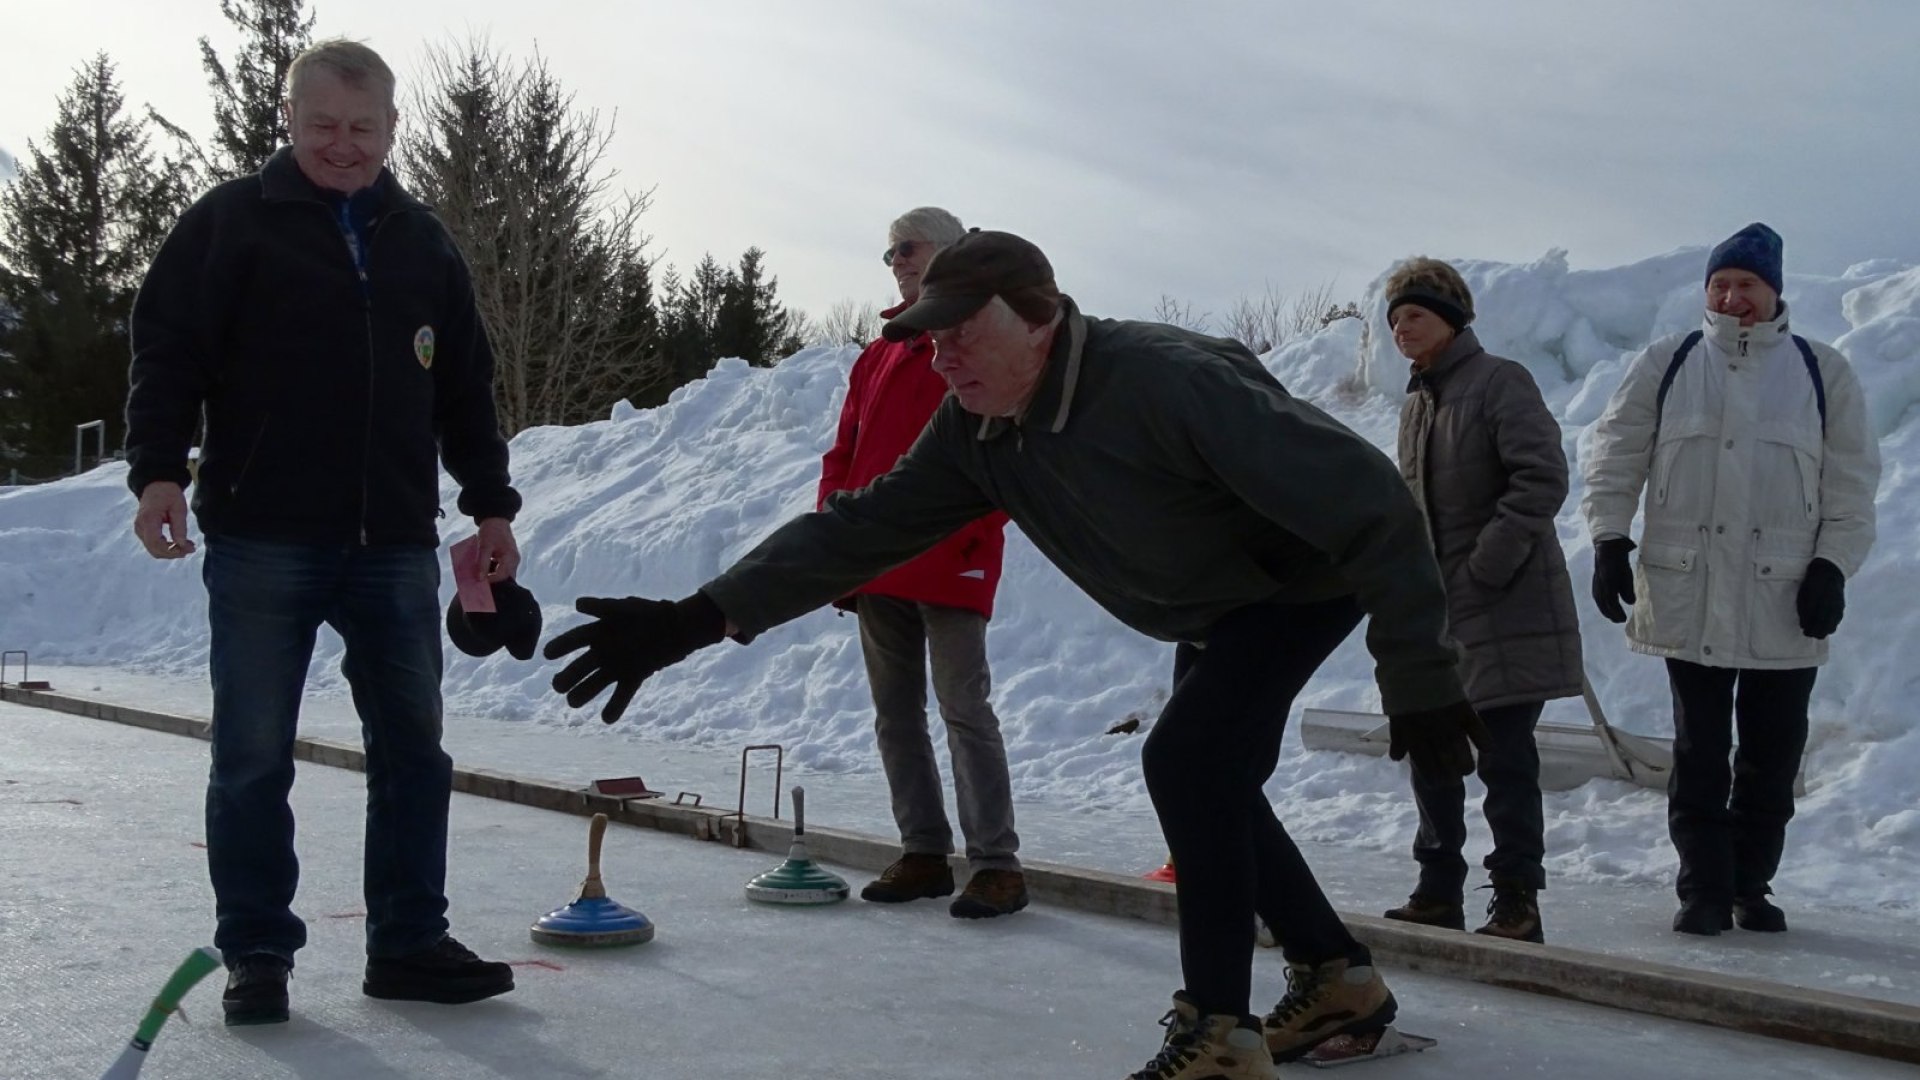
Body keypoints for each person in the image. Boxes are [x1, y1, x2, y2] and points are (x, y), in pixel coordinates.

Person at [543, 229, 1487, 1078]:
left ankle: (1222, 1037)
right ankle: (1335, 980)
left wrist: (1421, 677)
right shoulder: (979, 431)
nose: (939, 355)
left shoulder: (1164, 381)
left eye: (959, 333)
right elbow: (857, 531)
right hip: (1218, 599)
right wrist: (695, 618)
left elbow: (1375, 506)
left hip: (1303, 579)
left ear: (1039, 319)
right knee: (1214, 779)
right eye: (929, 336)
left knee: (1189, 761)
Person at [124, 39, 521, 1024]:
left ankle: (409, 941)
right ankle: (257, 950)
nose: (343, 146)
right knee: (253, 752)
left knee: (414, 749)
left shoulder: (421, 242)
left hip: (392, 541)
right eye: (323, 126)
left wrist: (491, 502)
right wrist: (158, 472)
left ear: (392, 127)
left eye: (363, 128)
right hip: (264, 536)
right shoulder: (230, 226)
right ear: (290, 120)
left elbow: (464, 385)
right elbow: (168, 352)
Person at [1583, 223, 1880, 936]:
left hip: (1786, 596)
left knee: (1772, 757)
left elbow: (1852, 481)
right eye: (1720, 284)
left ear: (1774, 292)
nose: (1731, 296)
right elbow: (1617, 451)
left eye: (1746, 284)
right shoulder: (1670, 361)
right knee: (1699, 751)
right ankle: (1703, 889)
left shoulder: (1820, 371)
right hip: (1688, 590)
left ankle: (1751, 882)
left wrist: (1833, 567)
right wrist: (1609, 539)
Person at [819, 208, 1024, 918]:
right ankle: (923, 851)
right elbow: (845, 450)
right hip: (877, 562)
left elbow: (1006, 439)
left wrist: (976, 533)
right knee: (893, 715)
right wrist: (833, 532)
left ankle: (996, 862)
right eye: (889, 254)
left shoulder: (975, 337)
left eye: (905, 249)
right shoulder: (878, 355)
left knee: (964, 707)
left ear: (946, 251)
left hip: (951, 557)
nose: (895, 262)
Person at [1383, 258, 1583, 944]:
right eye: (1395, 319)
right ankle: (1438, 888)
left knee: (1505, 758)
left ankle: (1517, 900)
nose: (1401, 328)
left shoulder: (1500, 381)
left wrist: (1485, 566)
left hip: (1506, 603)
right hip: (1443, 616)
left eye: (1414, 313)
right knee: (1433, 749)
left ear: (1453, 316)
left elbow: (1541, 478)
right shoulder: (1416, 404)